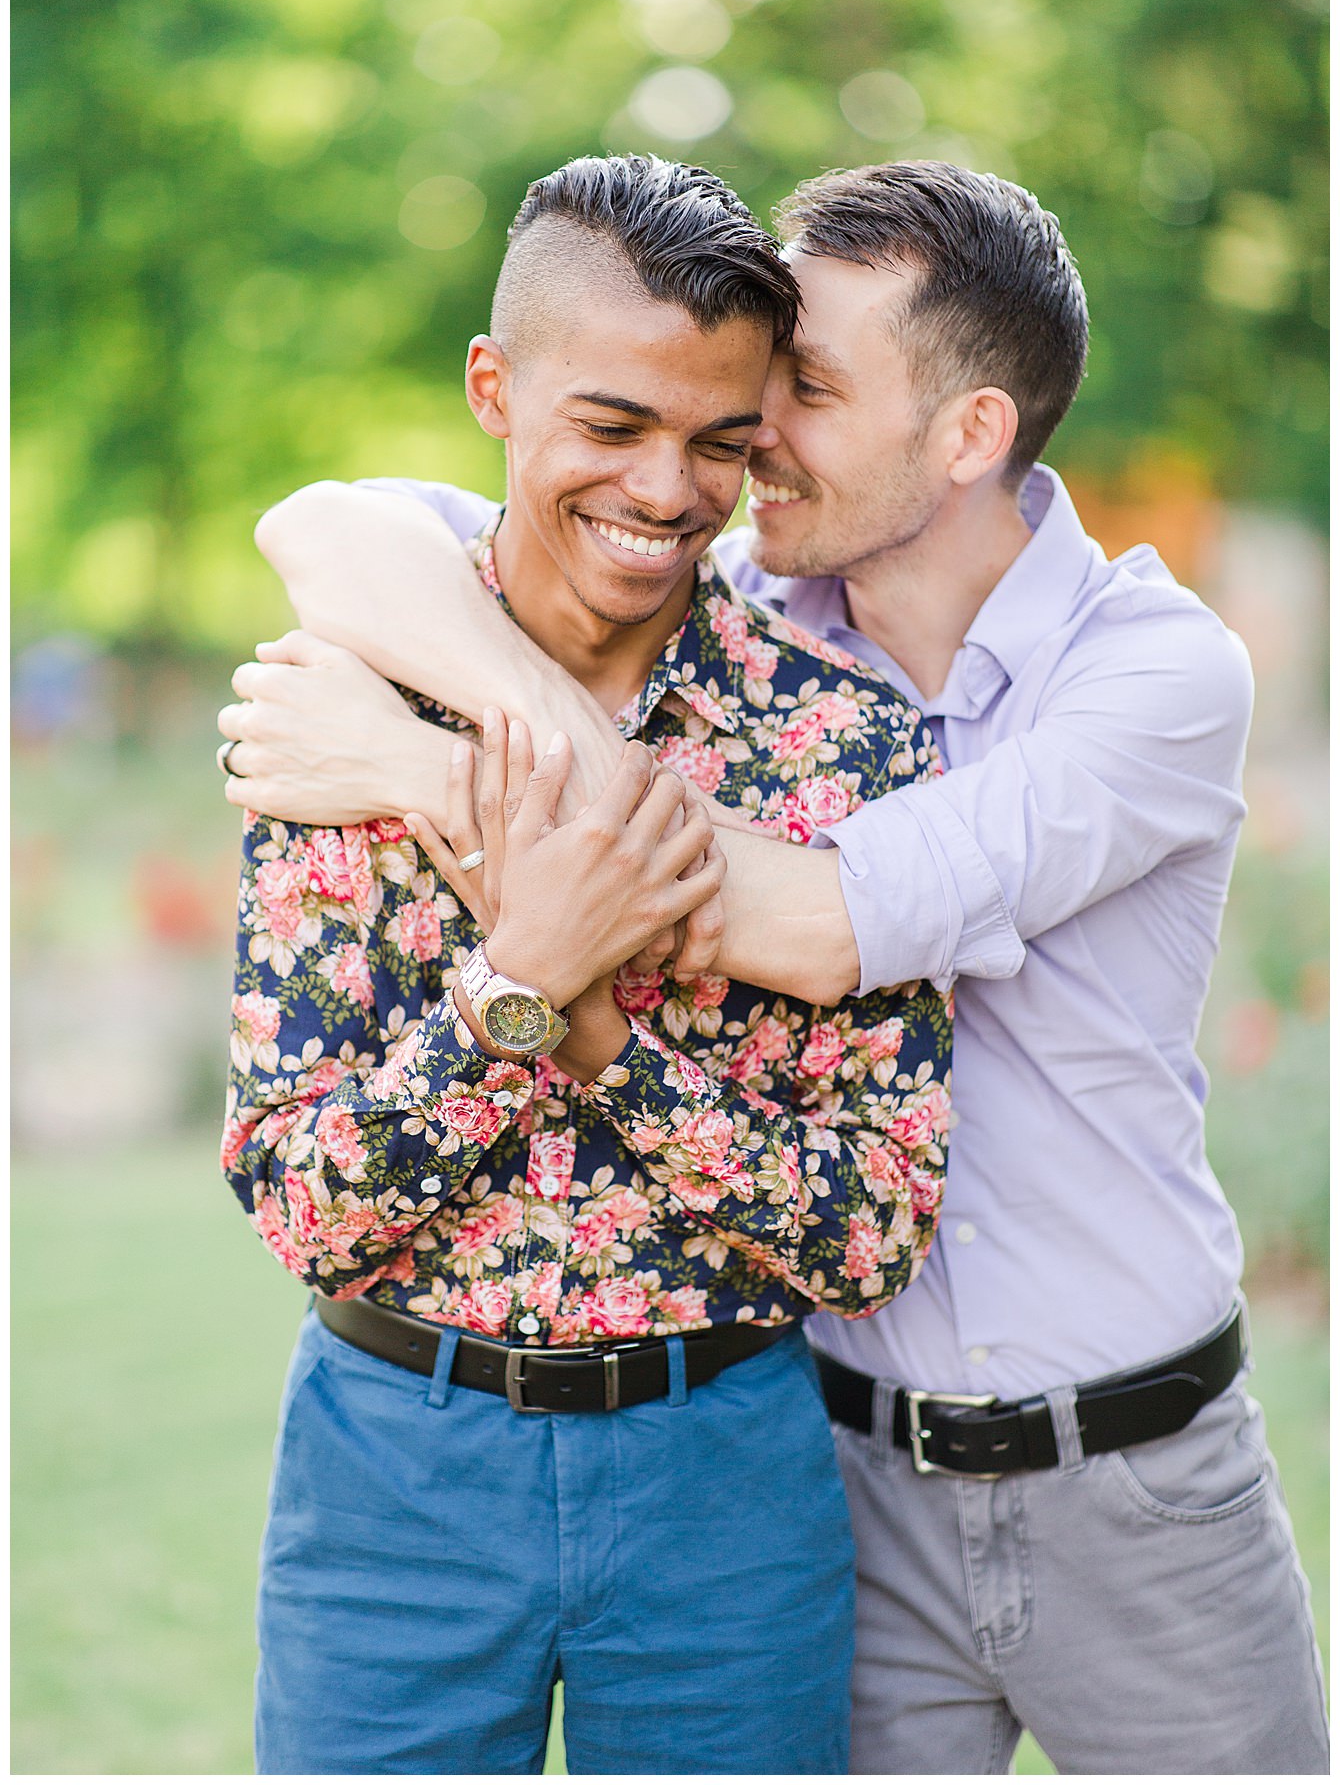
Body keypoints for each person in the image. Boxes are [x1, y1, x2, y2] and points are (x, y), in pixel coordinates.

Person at [225, 158, 1328, 1776]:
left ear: (967, 436)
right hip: (792, 1456)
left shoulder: (1122, 685)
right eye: (727, 407)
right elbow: (330, 526)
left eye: (785, 397)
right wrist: (508, 726)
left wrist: (441, 793)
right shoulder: (675, 593)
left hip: (1109, 1464)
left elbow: (826, 933)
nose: (722, 458)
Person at [220, 152, 953, 1777]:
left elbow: (875, 1228)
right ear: (495, 389)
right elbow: (299, 1199)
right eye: (613, 428)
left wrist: (614, 1046)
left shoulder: (850, 748)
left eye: (720, 444)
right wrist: (516, 995)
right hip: (395, 1472)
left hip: (727, 1484)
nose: (666, 491)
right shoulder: (341, 710)